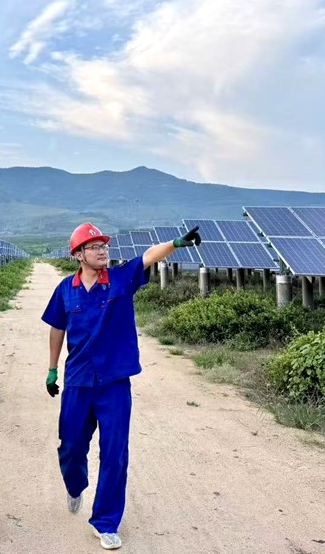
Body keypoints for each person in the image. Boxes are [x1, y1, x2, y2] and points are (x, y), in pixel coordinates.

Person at [42, 222, 201, 550]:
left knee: (115, 453)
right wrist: (52, 369)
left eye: (104, 246)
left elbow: (148, 257)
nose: (102, 251)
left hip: (114, 382)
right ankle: (75, 485)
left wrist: (175, 243)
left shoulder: (120, 279)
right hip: (78, 381)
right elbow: (57, 328)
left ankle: (105, 521)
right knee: (70, 447)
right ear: (78, 255)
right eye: (94, 247)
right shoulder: (65, 290)